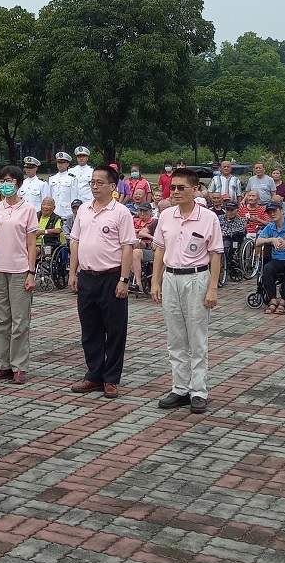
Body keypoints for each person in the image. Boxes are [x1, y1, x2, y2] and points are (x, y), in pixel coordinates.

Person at [151, 167, 222, 414]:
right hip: (171, 278)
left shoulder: (208, 218)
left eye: (182, 188)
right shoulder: (166, 216)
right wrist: (155, 281)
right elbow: (159, 250)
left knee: (197, 337)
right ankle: (179, 388)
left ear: (195, 190)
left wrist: (212, 287)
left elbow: (215, 255)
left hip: (197, 278)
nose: (176, 192)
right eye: (173, 187)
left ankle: (199, 390)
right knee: (176, 337)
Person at [68, 164, 136, 399]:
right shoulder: (84, 210)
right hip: (87, 277)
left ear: (112, 185)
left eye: (100, 182)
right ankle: (94, 374)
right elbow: (75, 241)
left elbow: (128, 247)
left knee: (115, 330)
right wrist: (72, 272)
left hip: (112, 277)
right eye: (92, 183)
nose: (95, 186)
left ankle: (111, 379)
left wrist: (124, 279)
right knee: (90, 329)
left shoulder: (121, 212)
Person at [0, 165, 39, 385]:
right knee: (0, 321)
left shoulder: (28, 209)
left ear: (18, 183)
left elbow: (32, 243)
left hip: (20, 269)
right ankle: (1, 364)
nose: (6, 184)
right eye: (2, 180)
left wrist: (31, 272)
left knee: (20, 321)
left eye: (10, 180)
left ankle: (19, 366)